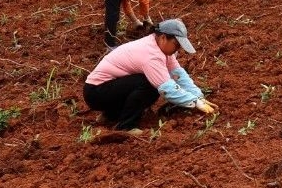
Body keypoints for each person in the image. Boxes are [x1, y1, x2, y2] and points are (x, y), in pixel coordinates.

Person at [83, 18, 216, 131]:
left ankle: (111, 115)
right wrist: (194, 102)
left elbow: (177, 73)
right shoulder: (152, 55)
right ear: (163, 38)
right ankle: (126, 126)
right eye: (176, 45)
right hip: (96, 92)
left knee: (145, 83)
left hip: (103, 89)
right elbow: (167, 89)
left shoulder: (159, 47)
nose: (178, 49)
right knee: (149, 85)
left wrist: (198, 96)